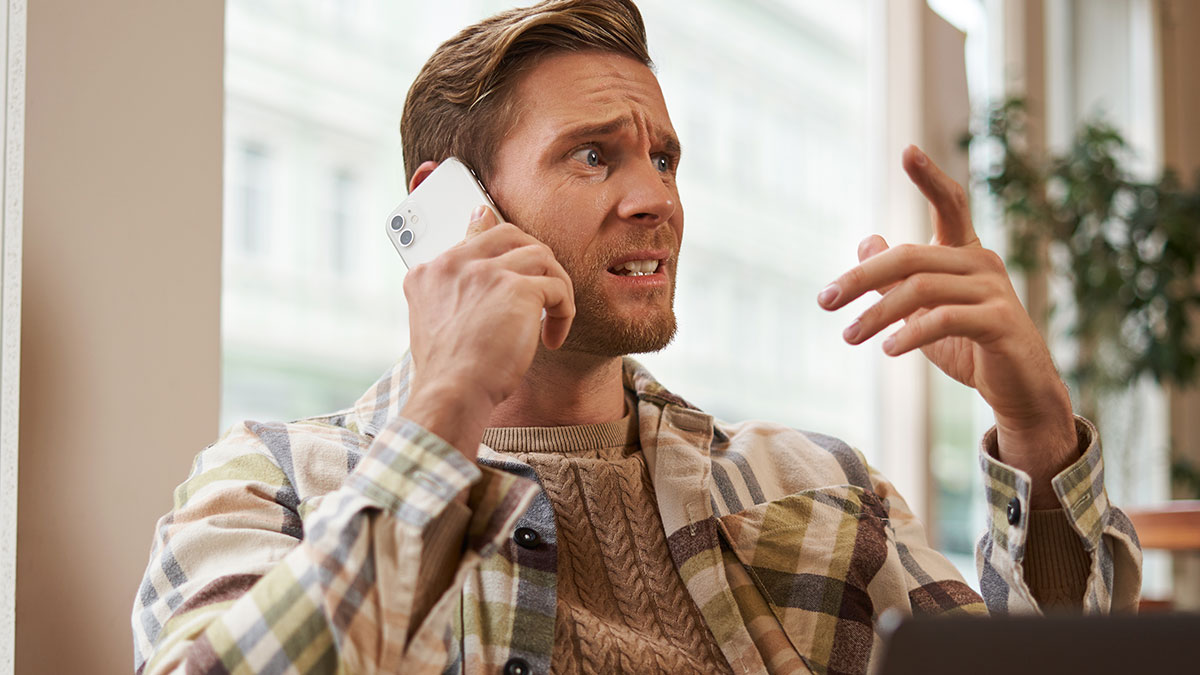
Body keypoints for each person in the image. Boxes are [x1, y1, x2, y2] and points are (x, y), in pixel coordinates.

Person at [132, 1, 1141, 673]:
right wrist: (445, 406)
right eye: (593, 157)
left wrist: (1036, 420)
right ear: (450, 212)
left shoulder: (818, 487)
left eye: (664, 157)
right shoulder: (276, 484)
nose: (656, 197)